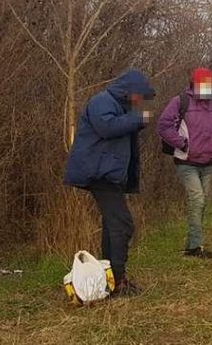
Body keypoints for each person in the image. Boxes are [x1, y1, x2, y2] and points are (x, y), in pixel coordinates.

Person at [63, 69, 154, 297]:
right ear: (128, 91)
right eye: (140, 96)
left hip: (108, 176)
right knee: (123, 224)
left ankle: (110, 278)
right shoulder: (102, 101)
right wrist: (138, 119)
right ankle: (118, 281)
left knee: (113, 226)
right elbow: (107, 127)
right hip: (98, 175)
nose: (141, 101)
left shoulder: (120, 107)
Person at [156, 67, 212, 259]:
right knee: (198, 199)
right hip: (187, 162)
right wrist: (183, 144)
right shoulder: (180, 102)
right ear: (195, 84)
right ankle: (195, 247)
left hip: (209, 161)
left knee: (201, 203)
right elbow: (163, 126)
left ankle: (193, 243)